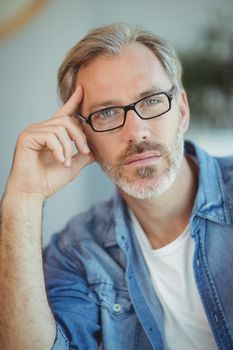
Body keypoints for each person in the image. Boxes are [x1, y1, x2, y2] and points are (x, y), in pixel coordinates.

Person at [0, 23, 232, 350]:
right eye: (107, 112)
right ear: (83, 136)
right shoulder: (77, 251)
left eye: (151, 100)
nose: (136, 132)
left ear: (181, 111)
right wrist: (22, 199)